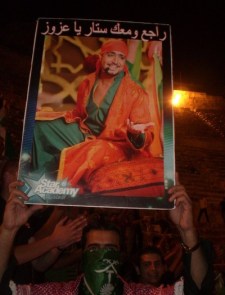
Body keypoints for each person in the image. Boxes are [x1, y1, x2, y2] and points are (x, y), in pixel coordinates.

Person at [1, 176, 214, 295]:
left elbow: (196, 291)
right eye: (94, 249)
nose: (102, 257)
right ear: (82, 256)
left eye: (110, 249)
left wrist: (187, 231)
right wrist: (8, 231)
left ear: (120, 256)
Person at [31, 38, 154, 191]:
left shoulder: (135, 92)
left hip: (114, 143)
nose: (116, 61)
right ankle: (37, 178)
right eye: (111, 55)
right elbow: (79, 114)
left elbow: (147, 134)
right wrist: (48, 115)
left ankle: (53, 189)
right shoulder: (87, 83)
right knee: (39, 125)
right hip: (86, 132)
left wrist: (136, 134)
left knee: (93, 150)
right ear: (101, 56)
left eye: (121, 57)